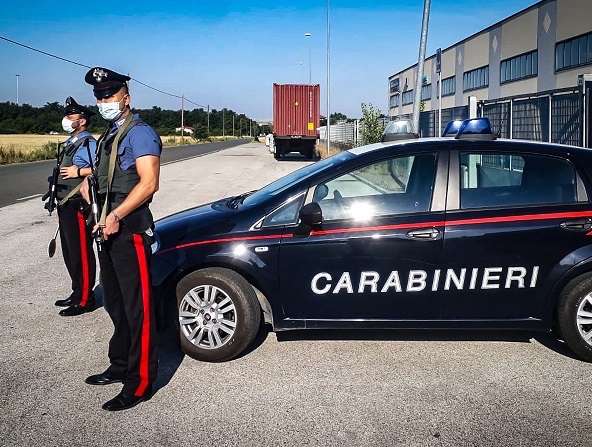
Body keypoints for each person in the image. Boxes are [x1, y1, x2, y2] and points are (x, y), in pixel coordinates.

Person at [80, 67, 161, 412]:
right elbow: (108, 176)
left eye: (109, 96)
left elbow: (148, 182)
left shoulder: (140, 134)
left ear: (126, 98)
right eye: (99, 97)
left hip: (128, 230)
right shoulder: (109, 135)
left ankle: (140, 382)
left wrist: (116, 215)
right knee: (115, 303)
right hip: (106, 229)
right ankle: (120, 365)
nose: (103, 102)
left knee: (137, 308)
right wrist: (90, 184)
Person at [53, 97, 97, 317]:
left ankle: (85, 299)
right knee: (70, 253)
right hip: (65, 204)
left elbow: (99, 169)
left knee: (81, 252)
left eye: (70, 116)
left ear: (82, 121)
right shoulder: (71, 143)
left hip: (78, 205)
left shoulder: (88, 143)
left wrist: (78, 172)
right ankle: (76, 291)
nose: (66, 120)